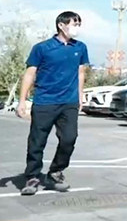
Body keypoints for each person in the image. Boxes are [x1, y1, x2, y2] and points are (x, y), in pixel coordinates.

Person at [16, 11, 88, 196]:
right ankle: (32, 177)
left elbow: (80, 72)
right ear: (61, 25)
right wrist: (22, 101)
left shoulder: (80, 47)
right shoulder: (42, 48)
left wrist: (80, 96)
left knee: (69, 138)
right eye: (74, 23)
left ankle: (55, 173)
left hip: (69, 102)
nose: (77, 27)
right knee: (37, 141)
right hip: (44, 102)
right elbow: (30, 74)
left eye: (78, 24)